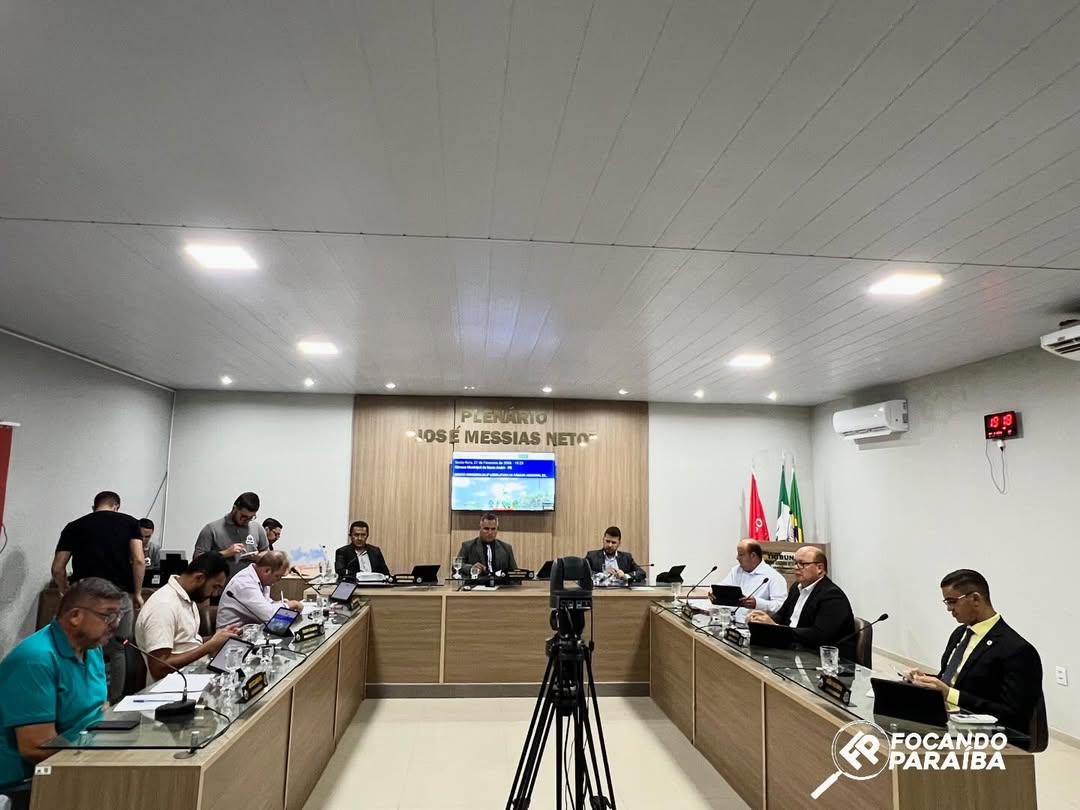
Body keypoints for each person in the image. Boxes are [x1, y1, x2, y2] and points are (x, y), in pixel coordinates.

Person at [0, 578, 123, 793]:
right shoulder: (36, 660)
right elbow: (37, 748)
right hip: (28, 781)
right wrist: (98, 750)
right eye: (108, 616)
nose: (115, 624)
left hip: (77, 760)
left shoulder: (92, 648)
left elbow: (99, 708)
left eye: (118, 616)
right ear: (75, 616)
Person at [906, 569, 1045, 736]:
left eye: (952, 602)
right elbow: (954, 681)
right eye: (946, 603)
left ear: (975, 599)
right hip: (944, 718)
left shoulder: (1017, 650)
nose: (949, 609)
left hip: (984, 733)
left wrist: (950, 694)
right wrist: (924, 680)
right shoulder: (960, 634)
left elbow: (1014, 715)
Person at [50, 491, 144, 704]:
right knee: (118, 649)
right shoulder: (130, 523)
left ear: (94, 507)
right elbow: (138, 560)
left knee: (80, 647)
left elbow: (57, 568)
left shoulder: (74, 526)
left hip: (84, 598)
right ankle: (115, 701)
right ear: (116, 507)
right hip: (117, 596)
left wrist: (66, 592)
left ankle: (79, 700)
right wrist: (137, 593)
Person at [133, 553, 243, 683]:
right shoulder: (163, 606)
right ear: (199, 577)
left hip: (195, 675)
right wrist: (209, 646)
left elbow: (186, 642)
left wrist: (219, 637)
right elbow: (159, 668)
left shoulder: (187, 598)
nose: (214, 594)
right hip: (175, 687)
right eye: (214, 587)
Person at [748, 546, 856, 661]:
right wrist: (761, 622)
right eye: (795, 563)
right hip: (793, 649)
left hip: (821, 658)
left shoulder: (832, 596)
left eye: (802, 564)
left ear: (819, 568)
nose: (796, 567)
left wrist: (775, 628)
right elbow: (781, 616)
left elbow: (818, 635)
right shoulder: (796, 588)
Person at [215, 551, 303, 628]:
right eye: (278, 576)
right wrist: (290, 605)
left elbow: (266, 605)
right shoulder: (245, 583)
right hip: (231, 636)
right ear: (267, 571)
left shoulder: (262, 579)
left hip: (250, 630)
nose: (278, 580)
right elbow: (269, 616)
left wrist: (279, 603)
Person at [193, 491, 268, 579]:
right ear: (234, 509)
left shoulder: (257, 528)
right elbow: (197, 559)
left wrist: (259, 557)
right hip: (219, 585)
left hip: (248, 584)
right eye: (243, 516)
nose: (247, 520)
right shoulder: (211, 529)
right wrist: (225, 553)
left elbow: (267, 552)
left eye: (251, 517)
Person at [713, 539, 788, 614]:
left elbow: (781, 606)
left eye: (741, 554)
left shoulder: (774, 577)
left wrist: (758, 604)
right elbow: (723, 586)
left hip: (756, 619)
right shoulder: (736, 571)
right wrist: (714, 594)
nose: (737, 558)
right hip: (731, 617)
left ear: (753, 556)